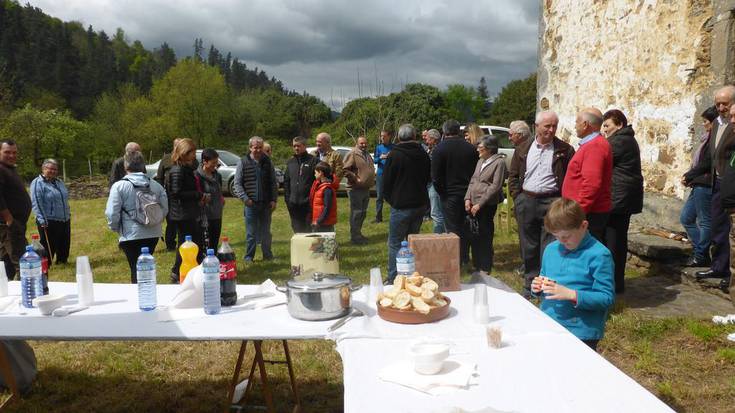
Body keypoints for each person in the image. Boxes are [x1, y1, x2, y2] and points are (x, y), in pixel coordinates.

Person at [531, 198, 615, 351]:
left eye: (566, 236)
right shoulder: (551, 250)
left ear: (583, 226)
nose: (561, 241)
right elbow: (545, 277)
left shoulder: (599, 255)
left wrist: (571, 294)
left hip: (581, 331)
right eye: (556, 236)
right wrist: (538, 287)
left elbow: (606, 297)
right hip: (549, 322)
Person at [508, 111, 575, 298]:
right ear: (536, 126)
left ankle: (546, 284)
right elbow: (513, 175)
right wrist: (518, 197)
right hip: (527, 200)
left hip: (552, 201)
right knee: (527, 244)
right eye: (547, 126)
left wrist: (562, 201)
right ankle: (530, 284)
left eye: (554, 126)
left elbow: (571, 178)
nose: (551, 130)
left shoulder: (565, 150)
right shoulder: (523, 148)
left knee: (550, 246)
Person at [106, 151, 168, 283]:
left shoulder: (119, 186)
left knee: (135, 268)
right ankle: (148, 292)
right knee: (146, 268)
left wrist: (115, 227)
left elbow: (112, 212)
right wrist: (155, 221)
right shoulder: (155, 185)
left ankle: (140, 296)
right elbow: (165, 208)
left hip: (130, 235)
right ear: (143, 165)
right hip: (153, 234)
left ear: (125, 165)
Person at [601, 109, 643, 294]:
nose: (604, 130)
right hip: (621, 198)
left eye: (607, 125)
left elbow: (601, 156)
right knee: (615, 241)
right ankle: (615, 282)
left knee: (614, 243)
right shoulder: (625, 139)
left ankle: (615, 284)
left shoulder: (620, 141)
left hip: (618, 199)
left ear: (619, 124)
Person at [383, 124, 431, 282]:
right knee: (412, 240)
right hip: (419, 204)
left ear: (398, 137)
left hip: (401, 205)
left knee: (395, 243)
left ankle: (393, 278)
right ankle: (412, 276)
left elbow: (386, 182)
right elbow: (427, 178)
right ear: (414, 136)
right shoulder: (423, 154)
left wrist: (392, 200)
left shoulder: (394, 155)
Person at [697, 85, 735, 283]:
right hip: (717, 182)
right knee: (717, 227)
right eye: (718, 104)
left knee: (729, 230)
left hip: (730, 183)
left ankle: (729, 273)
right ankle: (719, 267)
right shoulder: (718, 123)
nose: (721, 108)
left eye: (725, 104)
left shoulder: (733, 124)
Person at [432, 119, 479, 266]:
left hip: (449, 194)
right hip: (468, 193)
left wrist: (442, 193)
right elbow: (475, 173)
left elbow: (435, 176)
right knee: (466, 227)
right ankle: (464, 257)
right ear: (459, 131)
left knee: (452, 228)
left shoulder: (439, 149)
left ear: (444, 132)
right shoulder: (470, 148)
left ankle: (455, 260)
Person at [562, 107, 613, 242]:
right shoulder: (591, 144)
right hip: (585, 211)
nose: (575, 125)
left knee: (583, 254)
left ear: (585, 124)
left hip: (588, 214)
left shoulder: (595, 146)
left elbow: (591, 184)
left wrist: (578, 212)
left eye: (577, 121)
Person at [464, 135, 507, 274]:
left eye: (480, 147)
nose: (478, 149)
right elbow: (473, 180)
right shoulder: (480, 161)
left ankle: (485, 266)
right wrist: (467, 198)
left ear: (489, 149)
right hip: (474, 202)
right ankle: (476, 264)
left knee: (485, 234)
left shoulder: (499, 162)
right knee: (474, 234)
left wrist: (480, 204)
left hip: (487, 205)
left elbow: (495, 186)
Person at [681, 106, 718, 268]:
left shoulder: (715, 139)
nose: (704, 125)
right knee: (686, 218)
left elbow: (706, 163)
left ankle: (701, 254)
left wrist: (688, 175)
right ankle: (700, 250)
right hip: (698, 183)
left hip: (706, 183)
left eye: (706, 122)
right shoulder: (706, 138)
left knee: (704, 221)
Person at [233, 136, 278, 262]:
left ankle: (268, 256)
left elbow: (273, 182)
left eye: (260, 147)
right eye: (255, 147)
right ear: (250, 148)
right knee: (251, 234)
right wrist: (245, 199)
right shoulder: (243, 162)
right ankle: (249, 257)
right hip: (250, 204)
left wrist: (274, 199)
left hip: (266, 204)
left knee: (266, 232)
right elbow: (237, 184)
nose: (258, 150)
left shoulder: (268, 161)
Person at [167, 138, 204, 282]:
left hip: (188, 212)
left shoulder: (186, 168)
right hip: (182, 214)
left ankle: (187, 270)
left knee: (191, 244)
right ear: (184, 153)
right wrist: (197, 194)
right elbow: (176, 193)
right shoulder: (177, 170)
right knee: (184, 245)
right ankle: (177, 272)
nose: (194, 155)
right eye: (192, 152)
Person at [0, 139, 32, 280]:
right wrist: (9, 219)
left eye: (14, 152)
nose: (12, 155)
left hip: (15, 224)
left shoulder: (9, 168)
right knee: (23, 262)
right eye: (7, 152)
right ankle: (24, 295)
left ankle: (6, 295)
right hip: (9, 225)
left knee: (5, 263)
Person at [30, 159, 71, 265]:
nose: (53, 171)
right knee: (49, 244)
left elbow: (64, 198)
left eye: (55, 169)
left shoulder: (59, 182)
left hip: (64, 218)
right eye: (50, 169)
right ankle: (45, 264)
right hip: (49, 219)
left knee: (64, 242)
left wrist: (68, 213)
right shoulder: (37, 183)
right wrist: (42, 219)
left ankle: (62, 261)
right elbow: (37, 202)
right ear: (43, 169)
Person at [508, 120, 532, 275]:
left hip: (529, 198)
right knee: (525, 235)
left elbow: (514, 175)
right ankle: (528, 265)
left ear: (520, 135)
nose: (509, 138)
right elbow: (514, 176)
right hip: (523, 198)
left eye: (511, 135)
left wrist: (518, 197)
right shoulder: (519, 149)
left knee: (528, 236)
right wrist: (517, 196)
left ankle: (529, 266)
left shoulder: (529, 148)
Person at [343, 136, 376, 244]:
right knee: (356, 213)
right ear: (357, 143)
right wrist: (355, 178)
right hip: (355, 189)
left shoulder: (366, 154)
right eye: (361, 143)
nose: (364, 145)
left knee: (363, 213)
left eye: (365, 143)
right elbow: (345, 170)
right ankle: (355, 237)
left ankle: (358, 233)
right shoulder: (353, 153)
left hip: (365, 188)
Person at [284, 136, 318, 233]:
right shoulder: (291, 162)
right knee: (296, 229)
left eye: (298, 146)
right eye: (294, 146)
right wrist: (288, 199)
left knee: (308, 230)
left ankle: (308, 248)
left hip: (307, 203)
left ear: (304, 146)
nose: (296, 148)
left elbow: (320, 179)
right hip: (293, 203)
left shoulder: (313, 161)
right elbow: (286, 182)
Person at [194, 148, 224, 251]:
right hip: (204, 217)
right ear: (205, 162)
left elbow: (219, 192)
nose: (215, 165)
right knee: (204, 246)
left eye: (217, 163)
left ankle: (213, 264)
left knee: (214, 244)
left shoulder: (217, 176)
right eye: (213, 163)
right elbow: (196, 196)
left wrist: (221, 200)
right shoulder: (197, 176)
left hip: (217, 214)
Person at [155, 138, 181, 251]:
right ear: (174, 146)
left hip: (183, 194)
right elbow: (159, 176)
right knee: (171, 220)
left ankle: (183, 242)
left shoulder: (188, 159)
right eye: (178, 146)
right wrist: (162, 193)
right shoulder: (166, 158)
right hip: (169, 195)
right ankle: (170, 244)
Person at [425, 129, 445, 233]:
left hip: (435, 184)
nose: (426, 141)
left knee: (436, 212)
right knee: (438, 211)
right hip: (432, 183)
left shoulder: (437, 151)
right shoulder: (431, 149)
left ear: (433, 139)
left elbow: (434, 169)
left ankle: (439, 236)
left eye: (428, 139)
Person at [309, 162, 338, 232]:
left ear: (321, 173)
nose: (314, 174)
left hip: (324, 224)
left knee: (324, 242)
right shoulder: (320, 186)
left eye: (315, 172)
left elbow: (327, 207)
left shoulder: (327, 189)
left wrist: (319, 221)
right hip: (320, 222)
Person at [373, 129, 394, 223]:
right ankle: (378, 217)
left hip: (391, 174)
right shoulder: (378, 147)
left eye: (384, 136)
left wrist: (390, 156)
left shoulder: (394, 147)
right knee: (379, 197)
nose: (382, 138)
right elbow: (375, 160)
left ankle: (394, 216)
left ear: (389, 137)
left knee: (392, 196)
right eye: (381, 136)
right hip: (380, 174)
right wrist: (380, 158)